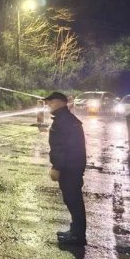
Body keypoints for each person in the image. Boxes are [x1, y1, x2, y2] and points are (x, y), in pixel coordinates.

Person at [44, 91, 87, 246]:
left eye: (51, 101)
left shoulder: (63, 121)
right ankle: (75, 231)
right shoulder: (67, 119)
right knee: (73, 200)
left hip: (69, 168)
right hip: (73, 167)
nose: (48, 104)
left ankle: (77, 236)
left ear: (61, 102)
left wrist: (56, 167)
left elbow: (62, 148)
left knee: (73, 200)